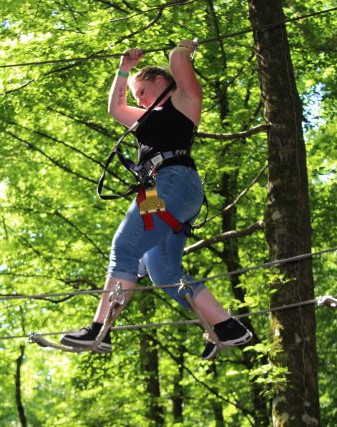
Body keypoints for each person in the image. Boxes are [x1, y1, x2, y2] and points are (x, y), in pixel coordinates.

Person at [60, 40, 252, 359]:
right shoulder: (146, 120)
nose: (139, 100)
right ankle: (227, 326)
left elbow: (177, 58)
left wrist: (182, 49)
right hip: (159, 191)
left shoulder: (183, 101)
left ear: (161, 83)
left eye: (143, 92)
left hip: (174, 181)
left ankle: (100, 329)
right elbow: (115, 108)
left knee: (124, 246)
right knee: (161, 272)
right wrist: (124, 69)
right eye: (137, 97)